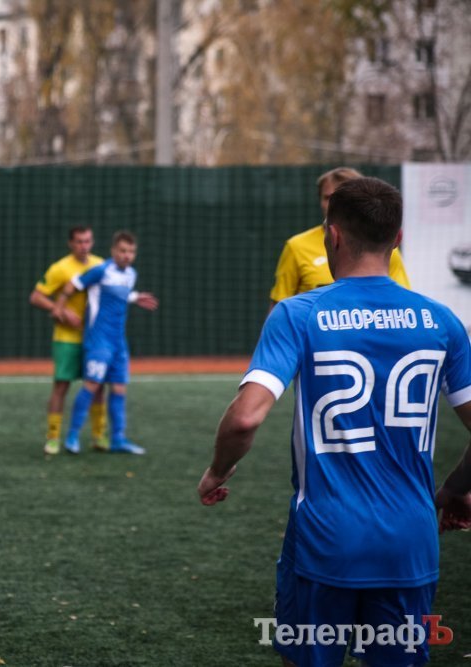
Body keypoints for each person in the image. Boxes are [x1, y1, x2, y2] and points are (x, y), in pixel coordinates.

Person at [198, 177, 471, 667]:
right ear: (398, 239)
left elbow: (244, 419)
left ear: (333, 235)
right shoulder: (441, 321)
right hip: (411, 542)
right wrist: (455, 488)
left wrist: (217, 471)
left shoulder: (298, 314)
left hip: (325, 541)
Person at [53, 231, 159, 455]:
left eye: (131, 252)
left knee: (119, 388)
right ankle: (72, 436)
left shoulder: (131, 274)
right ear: (113, 251)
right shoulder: (101, 270)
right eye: (122, 251)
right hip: (98, 341)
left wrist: (134, 297)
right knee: (92, 385)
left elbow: (119, 293)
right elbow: (73, 285)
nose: (127, 255)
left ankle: (118, 439)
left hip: (118, 342)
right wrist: (59, 307)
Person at [270, 167, 410, 307]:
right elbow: (279, 305)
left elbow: (401, 301)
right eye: (327, 198)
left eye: (341, 199)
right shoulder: (297, 246)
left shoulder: (381, 247)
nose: (332, 205)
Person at [30, 226, 109, 455]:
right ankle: (53, 437)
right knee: (61, 386)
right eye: (79, 242)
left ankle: (99, 436)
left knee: (97, 387)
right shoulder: (60, 268)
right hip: (66, 338)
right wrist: (62, 311)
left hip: (94, 339)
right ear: (70, 244)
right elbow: (36, 297)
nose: (84, 246)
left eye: (87, 241)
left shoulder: (101, 265)